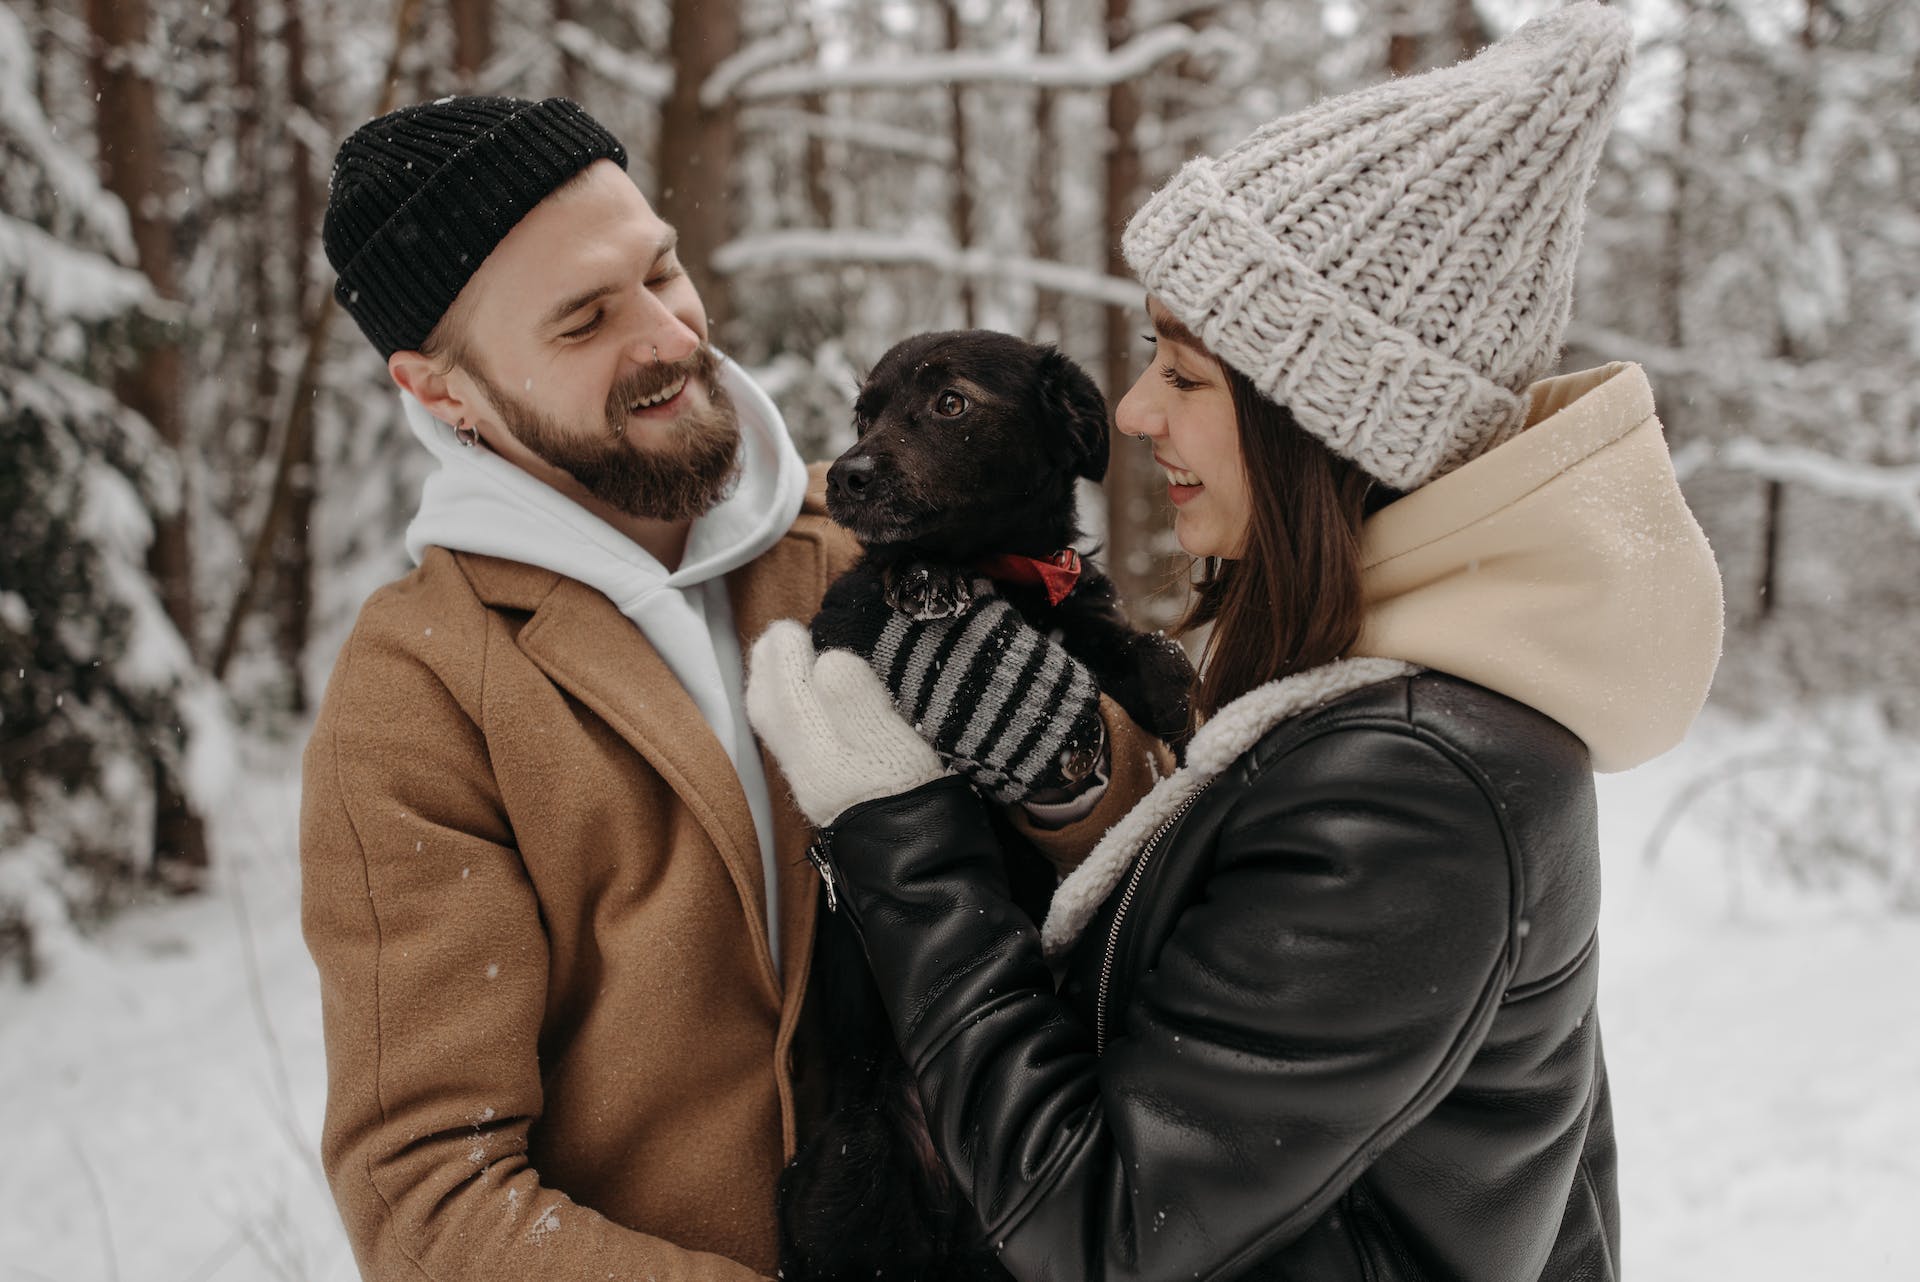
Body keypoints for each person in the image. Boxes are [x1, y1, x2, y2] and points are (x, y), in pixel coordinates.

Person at [745, 5, 1724, 1279]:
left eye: (1187, 373)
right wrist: (1081, 799)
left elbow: (1108, 1230)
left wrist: (903, 827)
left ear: (1323, 424)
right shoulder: (1368, 693)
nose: (1133, 410)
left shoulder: (1420, 781)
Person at [299, 96, 1163, 1281]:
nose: (668, 336)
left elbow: (1160, 865)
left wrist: (1073, 778)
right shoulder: (423, 695)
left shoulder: (880, 544)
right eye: (585, 318)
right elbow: (427, 1198)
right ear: (441, 387)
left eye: (661, 270)